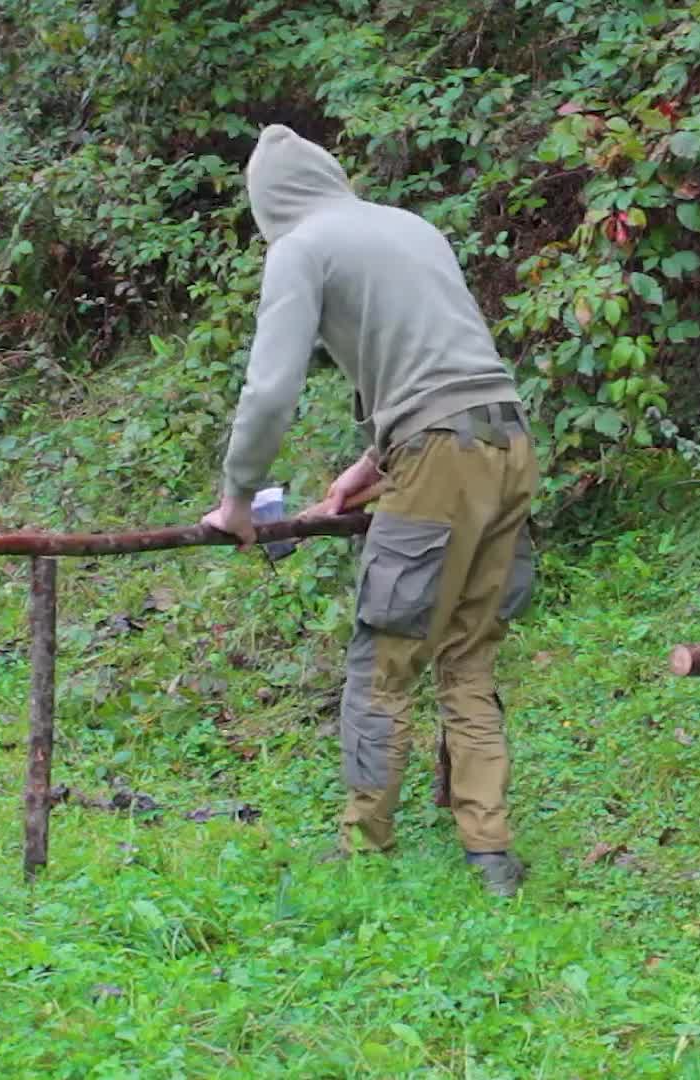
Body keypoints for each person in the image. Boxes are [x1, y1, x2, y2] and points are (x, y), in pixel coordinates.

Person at [197, 124, 538, 897]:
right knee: (469, 655)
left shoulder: (301, 247)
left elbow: (270, 390)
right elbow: (440, 362)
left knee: (384, 661)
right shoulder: (410, 227)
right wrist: (371, 466)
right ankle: (491, 856)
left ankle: (363, 850)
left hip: (439, 456)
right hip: (509, 442)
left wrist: (237, 499)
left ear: (267, 204)